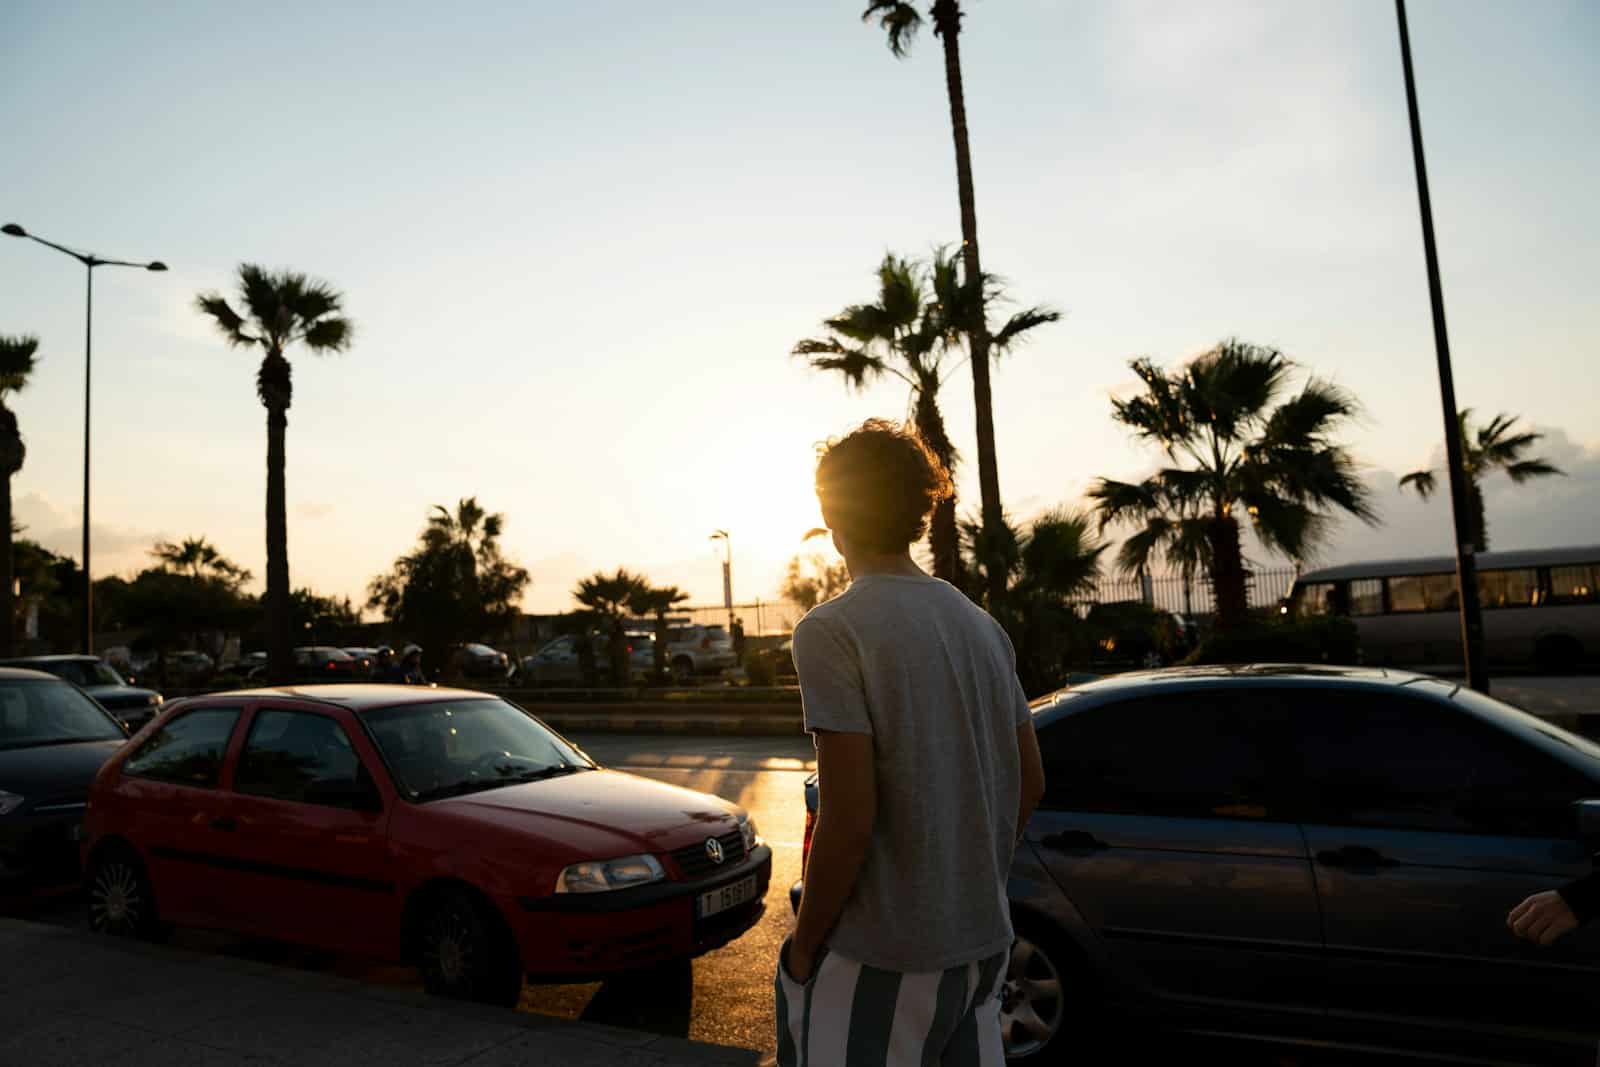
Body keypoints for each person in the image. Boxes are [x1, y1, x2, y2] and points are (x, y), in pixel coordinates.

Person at [776, 419, 1047, 1066]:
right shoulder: (980, 626)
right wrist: (960, 879)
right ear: (918, 509)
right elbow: (1030, 782)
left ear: (830, 510)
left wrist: (806, 943)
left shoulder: (833, 630)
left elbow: (849, 813)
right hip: (982, 947)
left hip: (882, 956)